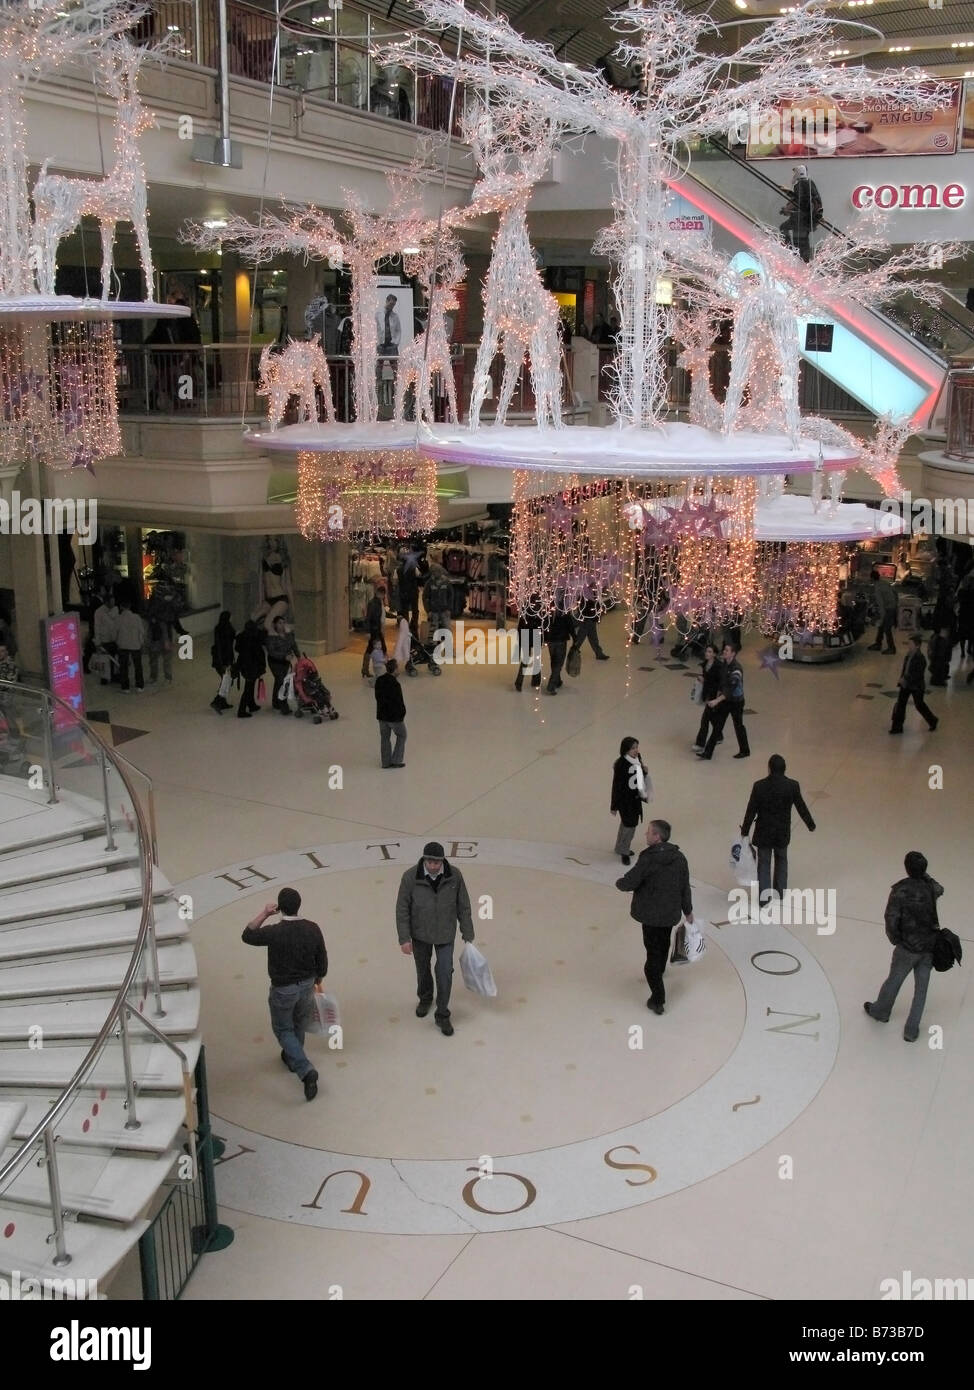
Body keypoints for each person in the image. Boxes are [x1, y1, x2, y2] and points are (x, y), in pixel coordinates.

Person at [241, 887, 327, 1100]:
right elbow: (322, 957)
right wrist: (319, 977)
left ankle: (305, 1070)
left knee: (283, 1029)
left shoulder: (275, 932)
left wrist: (264, 913)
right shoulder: (312, 928)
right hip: (307, 984)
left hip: (283, 989)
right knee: (299, 1023)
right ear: (299, 905)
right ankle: (292, 1057)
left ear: (280, 908)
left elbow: (248, 935)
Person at [396, 841, 474, 1036]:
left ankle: (442, 1014)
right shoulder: (409, 877)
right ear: (424, 859)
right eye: (429, 862)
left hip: (445, 933)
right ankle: (425, 997)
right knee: (422, 969)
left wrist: (468, 932)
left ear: (442, 861)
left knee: (445, 971)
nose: (433, 866)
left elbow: (463, 905)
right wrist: (404, 938)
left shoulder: (454, 876)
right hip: (420, 933)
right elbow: (402, 909)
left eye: (436, 862)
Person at [616, 819, 694, 1016]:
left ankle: (657, 998)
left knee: (651, 952)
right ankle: (660, 968)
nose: (645, 835)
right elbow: (685, 886)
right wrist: (688, 911)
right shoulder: (679, 858)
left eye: (649, 832)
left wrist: (620, 883)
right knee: (663, 942)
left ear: (657, 836)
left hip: (651, 915)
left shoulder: (648, 858)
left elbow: (632, 880)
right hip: (669, 914)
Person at [864, 852, 942, 1042]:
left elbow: (891, 918)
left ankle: (881, 1011)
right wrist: (926, 876)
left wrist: (896, 939)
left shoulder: (900, 890)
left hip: (907, 947)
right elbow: (940, 889)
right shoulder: (930, 887)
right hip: (929, 946)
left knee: (894, 981)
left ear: (906, 868)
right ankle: (911, 1030)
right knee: (921, 990)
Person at [740, 754, 816, 904]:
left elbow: (751, 810)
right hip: (782, 833)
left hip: (764, 832)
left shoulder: (759, 786)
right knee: (782, 860)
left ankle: (764, 897)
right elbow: (801, 807)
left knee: (764, 863)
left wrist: (745, 831)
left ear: (769, 768)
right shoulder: (792, 786)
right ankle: (780, 892)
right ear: (784, 769)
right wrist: (810, 824)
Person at [697, 642, 750, 759]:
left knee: (738, 726)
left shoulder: (737, 669)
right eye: (724, 650)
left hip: (736, 702)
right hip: (726, 701)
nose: (724, 652)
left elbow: (730, 689)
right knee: (718, 726)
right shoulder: (724, 665)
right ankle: (708, 753)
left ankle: (745, 750)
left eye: (727, 651)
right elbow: (721, 683)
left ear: (733, 654)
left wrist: (716, 701)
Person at [611, 737, 651, 865]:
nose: (636, 750)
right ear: (625, 749)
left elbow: (639, 775)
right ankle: (624, 850)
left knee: (626, 824)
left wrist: (644, 772)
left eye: (636, 747)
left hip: (635, 799)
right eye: (633, 748)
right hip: (626, 802)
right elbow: (616, 786)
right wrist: (614, 805)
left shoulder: (637, 758)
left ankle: (619, 847)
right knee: (630, 826)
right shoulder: (621, 764)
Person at [889, 633, 938, 734]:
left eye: (910, 644)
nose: (908, 646)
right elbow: (905, 669)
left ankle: (932, 720)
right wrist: (902, 678)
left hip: (916, 686)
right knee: (901, 704)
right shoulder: (908, 655)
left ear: (917, 645)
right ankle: (897, 727)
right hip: (906, 684)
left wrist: (905, 678)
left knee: (919, 705)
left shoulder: (921, 659)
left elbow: (918, 675)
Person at [779, 164, 823, 263]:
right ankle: (803, 258)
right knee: (803, 239)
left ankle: (793, 252)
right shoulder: (810, 183)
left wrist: (788, 209)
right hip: (809, 218)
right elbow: (801, 198)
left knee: (786, 229)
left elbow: (799, 201)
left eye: (795, 173)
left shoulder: (800, 185)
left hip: (802, 218)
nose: (793, 175)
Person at [374, 656, 406, 768]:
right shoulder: (395, 684)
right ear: (395, 669)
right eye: (398, 668)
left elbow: (377, 697)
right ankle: (396, 760)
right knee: (402, 734)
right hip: (394, 717)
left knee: (385, 738)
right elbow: (398, 702)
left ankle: (385, 762)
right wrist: (402, 714)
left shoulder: (379, 680)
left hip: (381, 716)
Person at [691, 643, 722, 752]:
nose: (707, 653)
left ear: (714, 654)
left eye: (709, 652)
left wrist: (705, 680)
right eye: (706, 651)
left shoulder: (718, 666)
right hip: (707, 694)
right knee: (712, 717)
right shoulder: (705, 664)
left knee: (705, 719)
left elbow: (718, 683)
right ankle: (719, 735)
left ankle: (700, 743)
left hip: (714, 696)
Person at [234, 618, 267, 719]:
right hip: (253, 666)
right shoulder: (255, 637)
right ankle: (242, 710)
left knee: (250, 686)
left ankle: (251, 704)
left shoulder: (242, 637)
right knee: (248, 688)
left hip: (244, 665)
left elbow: (237, 649)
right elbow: (262, 643)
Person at [543, 604, 576, 694]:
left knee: (554, 660)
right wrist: (575, 638)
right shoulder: (564, 611)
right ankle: (551, 685)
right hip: (560, 640)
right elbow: (570, 626)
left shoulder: (549, 610)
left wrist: (545, 638)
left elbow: (545, 624)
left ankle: (557, 680)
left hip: (551, 640)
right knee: (559, 662)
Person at [116, 599, 145, 693]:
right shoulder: (136, 617)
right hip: (135, 645)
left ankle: (125, 687)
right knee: (138, 666)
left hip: (123, 644)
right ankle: (139, 685)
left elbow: (115, 632)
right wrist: (141, 643)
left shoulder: (119, 618)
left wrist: (117, 642)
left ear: (121, 607)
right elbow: (141, 631)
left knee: (123, 667)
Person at [422, 561, 454, 647]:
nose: (435, 573)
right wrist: (428, 610)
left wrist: (449, 609)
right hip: (434, 611)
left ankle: (449, 649)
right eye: (433, 572)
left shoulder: (446, 582)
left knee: (447, 630)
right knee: (433, 632)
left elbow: (451, 596)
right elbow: (425, 598)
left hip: (444, 611)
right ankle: (432, 651)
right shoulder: (429, 583)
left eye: (436, 571)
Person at [867, 568, 898, 654]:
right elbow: (894, 593)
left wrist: (881, 617)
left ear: (872, 579)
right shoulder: (884, 582)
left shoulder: (878, 588)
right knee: (881, 627)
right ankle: (878, 643)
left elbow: (881, 605)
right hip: (893, 605)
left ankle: (892, 648)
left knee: (887, 628)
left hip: (888, 608)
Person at [210, 611, 236, 713]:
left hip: (223, 659)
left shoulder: (222, 628)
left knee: (226, 680)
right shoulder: (225, 629)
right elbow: (221, 647)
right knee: (226, 680)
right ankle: (217, 701)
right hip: (223, 660)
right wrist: (223, 664)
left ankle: (222, 701)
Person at [513, 604, 543, 691]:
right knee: (536, 659)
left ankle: (519, 682)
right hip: (536, 634)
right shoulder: (539, 608)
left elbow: (520, 625)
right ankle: (535, 680)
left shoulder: (525, 608)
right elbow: (542, 623)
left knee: (525, 660)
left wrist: (520, 638)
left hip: (526, 634)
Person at [361, 581, 387, 679]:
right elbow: (368, 617)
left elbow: (383, 614)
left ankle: (365, 669)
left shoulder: (378, 602)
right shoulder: (373, 603)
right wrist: (367, 631)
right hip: (374, 630)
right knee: (377, 648)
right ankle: (369, 669)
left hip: (377, 629)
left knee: (372, 648)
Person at [92, 593, 120, 685]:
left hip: (114, 639)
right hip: (105, 640)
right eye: (112, 601)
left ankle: (113, 676)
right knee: (104, 660)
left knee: (113, 659)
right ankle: (105, 678)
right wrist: (98, 642)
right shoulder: (99, 612)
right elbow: (97, 627)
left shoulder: (115, 610)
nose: (113, 603)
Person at [574, 595, 609, 660]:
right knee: (583, 636)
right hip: (586, 617)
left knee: (590, 636)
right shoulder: (584, 593)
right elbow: (581, 606)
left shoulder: (593, 592)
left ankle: (599, 653)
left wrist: (598, 616)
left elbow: (597, 604)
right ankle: (574, 651)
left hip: (591, 617)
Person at [377, 293, 401, 358]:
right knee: (379, 365)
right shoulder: (378, 314)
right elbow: (374, 328)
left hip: (392, 344)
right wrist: (376, 342)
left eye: (394, 305)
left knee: (395, 365)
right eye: (391, 304)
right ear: (387, 301)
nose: (392, 306)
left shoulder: (395, 316)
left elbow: (398, 330)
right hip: (381, 344)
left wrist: (396, 343)